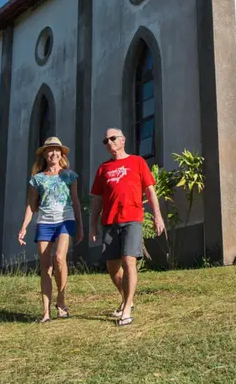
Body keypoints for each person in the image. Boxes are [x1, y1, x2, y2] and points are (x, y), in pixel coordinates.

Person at [90, 127, 165, 327]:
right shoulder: (103, 169)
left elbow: (150, 190)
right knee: (112, 268)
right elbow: (97, 200)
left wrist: (158, 216)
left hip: (132, 218)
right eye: (106, 141)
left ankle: (127, 308)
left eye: (113, 138)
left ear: (123, 140)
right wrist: (92, 225)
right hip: (109, 221)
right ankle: (126, 299)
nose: (110, 143)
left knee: (128, 260)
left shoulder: (137, 162)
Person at [18, 136, 84, 323]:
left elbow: (76, 201)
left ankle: (61, 301)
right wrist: (24, 227)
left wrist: (80, 225)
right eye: (50, 150)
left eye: (57, 150)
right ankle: (46, 312)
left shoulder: (69, 175)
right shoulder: (37, 180)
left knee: (59, 258)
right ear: (45, 154)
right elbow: (31, 205)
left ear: (61, 154)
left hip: (65, 219)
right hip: (44, 222)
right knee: (45, 266)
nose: (54, 153)